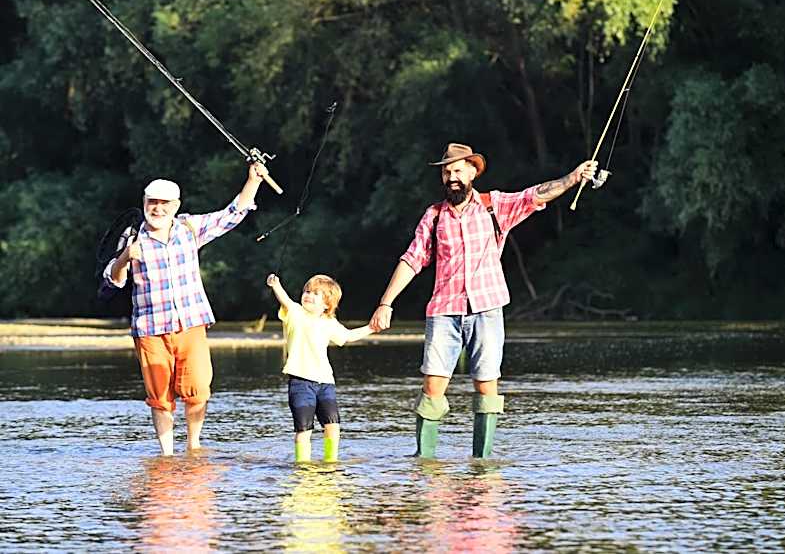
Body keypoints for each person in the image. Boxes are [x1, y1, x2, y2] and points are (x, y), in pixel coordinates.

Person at [368, 143, 598, 458]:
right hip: (444, 310)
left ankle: (482, 462)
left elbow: (536, 195)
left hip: (487, 310)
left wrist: (571, 179)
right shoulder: (434, 216)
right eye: (447, 172)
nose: (452, 177)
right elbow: (411, 260)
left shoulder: (495, 206)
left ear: (473, 172)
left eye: (458, 170)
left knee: (487, 386)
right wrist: (385, 303)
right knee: (432, 388)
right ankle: (424, 461)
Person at [103, 163, 268, 455]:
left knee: (198, 389)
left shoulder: (190, 228)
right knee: (159, 396)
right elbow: (113, 281)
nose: (157, 209)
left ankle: (193, 446)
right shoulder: (132, 238)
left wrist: (253, 181)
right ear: (144, 203)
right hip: (150, 329)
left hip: (191, 322)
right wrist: (125, 258)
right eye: (152, 202)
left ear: (176, 206)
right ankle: (166, 453)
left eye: (164, 203)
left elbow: (233, 213)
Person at [266, 272, 375, 462]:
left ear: (327, 304)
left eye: (315, 293)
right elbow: (285, 300)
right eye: (306, 291)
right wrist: (275, 285)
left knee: (333, 425)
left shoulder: (329, 322)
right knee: (304, 428)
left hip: (326, 383)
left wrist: (373, 328)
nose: (308, 295)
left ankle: (331, 460)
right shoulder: (295, 313)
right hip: (300, 382)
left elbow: (347, 337)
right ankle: (303, 463)